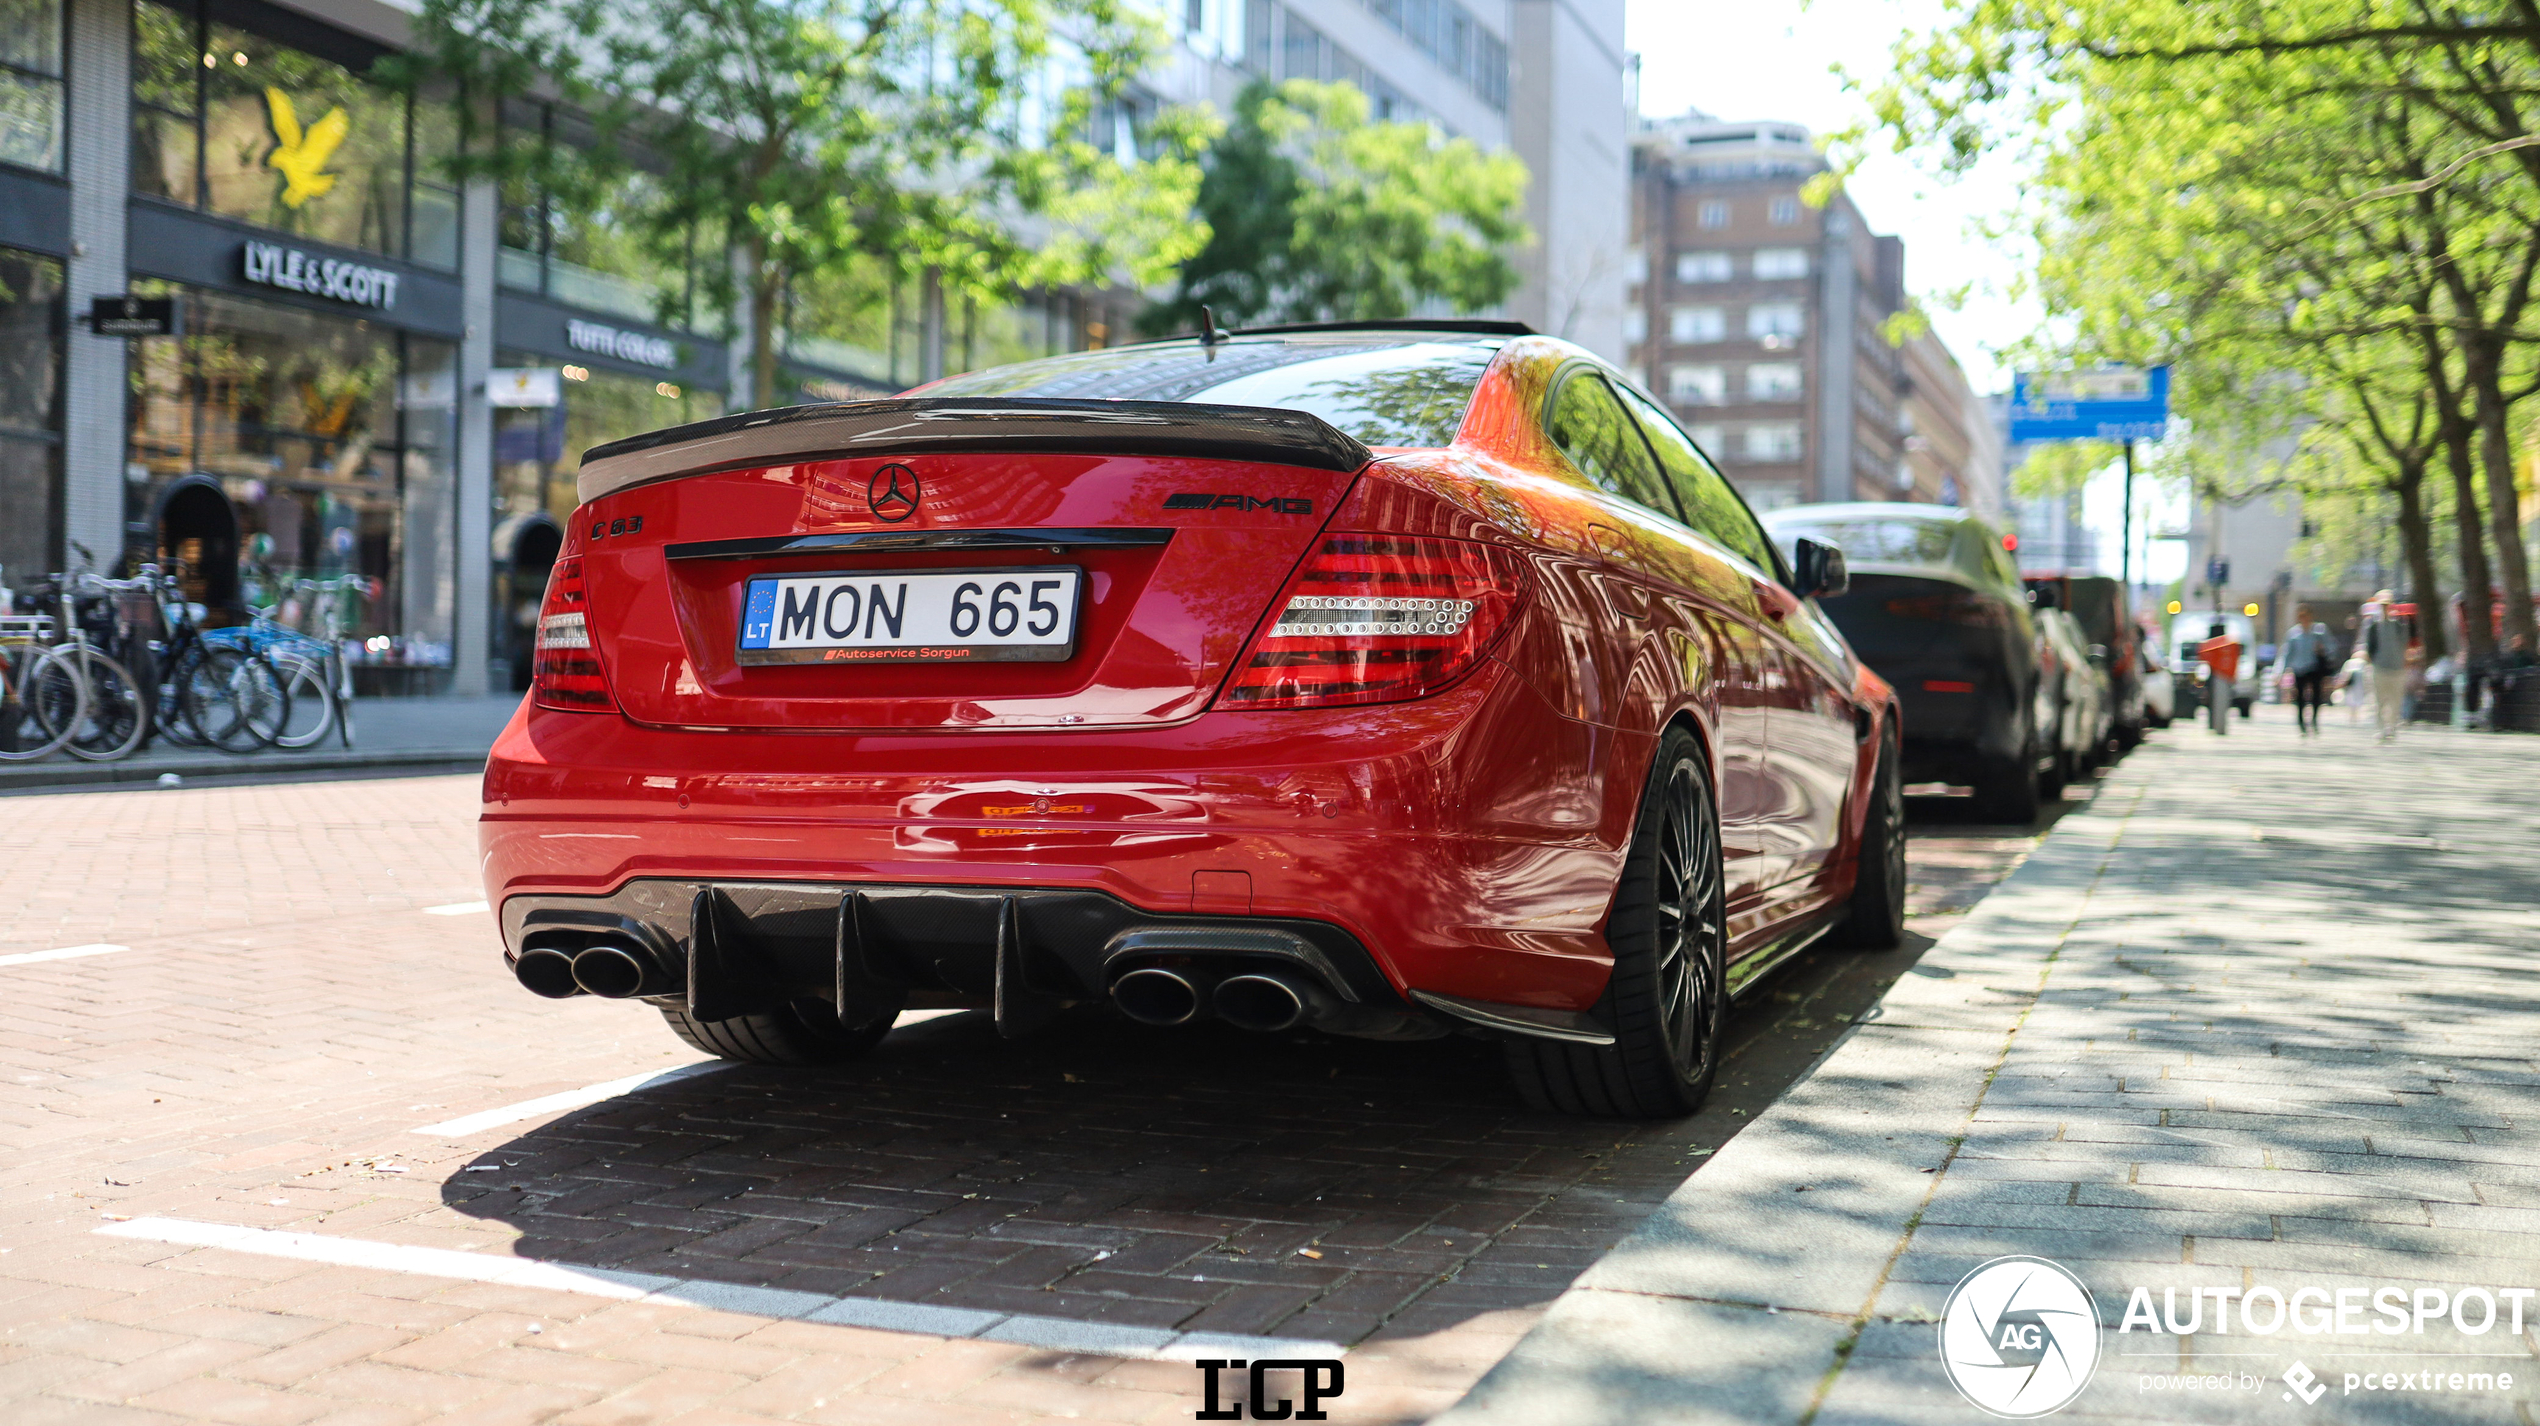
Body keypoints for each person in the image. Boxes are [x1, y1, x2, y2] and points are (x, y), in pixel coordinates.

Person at [2361, 591, 2409, 742]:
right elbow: (2369, 647)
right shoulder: (2373, 625)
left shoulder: (2399, 625)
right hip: (2379, 668)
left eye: (2387, 605)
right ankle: (2381, 728)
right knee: (2378, 702)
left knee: (2396, 701)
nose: (2384, 608)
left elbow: (2404, 644)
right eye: (2382, 605)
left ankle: (2392, 728)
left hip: (2397, 668)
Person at [2280, 604, 2336, 736]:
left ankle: (2314, 720)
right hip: (2299, 669)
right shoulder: (2293, 634)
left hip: (2314, 667)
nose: (2304, 619)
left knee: (2316, 696)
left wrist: (2323, 649)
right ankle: (2301, 723)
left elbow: (2332, 648)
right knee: (2300, 697)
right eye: (2301, 616)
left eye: (2306, 616)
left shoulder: (2320, 631)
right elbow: (2286, 653)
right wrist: (2281, 671)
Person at [2197, 620, 2240, 734]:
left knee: (2217, 701)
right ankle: (2217, 726)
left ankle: (2216, 726)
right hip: (2220, 677)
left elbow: (2202, 653)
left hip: (2218, 676)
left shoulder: (2212, 645)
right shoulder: (2230, 644)